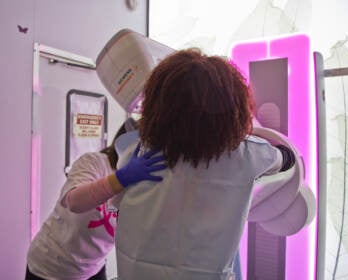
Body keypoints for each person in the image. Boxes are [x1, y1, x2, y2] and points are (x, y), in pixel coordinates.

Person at [110, 48, 296, 280]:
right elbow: (286, 160)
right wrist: (245, 132)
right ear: (232, 109)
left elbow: (116, 202)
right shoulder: (245, 155)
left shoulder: (137, 153)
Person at [25, 118, 167, 280]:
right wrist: (122, 178)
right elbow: (74, 202)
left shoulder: (143, 178)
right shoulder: (95, 162)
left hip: (93, 268)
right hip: (51, 267)